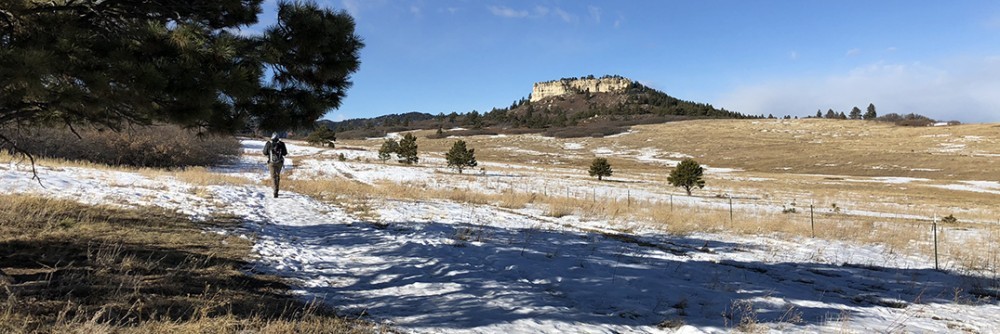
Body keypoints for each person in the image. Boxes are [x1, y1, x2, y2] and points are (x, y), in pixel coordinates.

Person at [262, 132, 288, 198]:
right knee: (277, 176)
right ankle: (277, 189)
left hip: (271, 162)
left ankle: (275, 190)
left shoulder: (268, 143)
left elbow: (265, 152)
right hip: (279, 162)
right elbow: (285, 153)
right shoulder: (281, 144)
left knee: (273, 176)